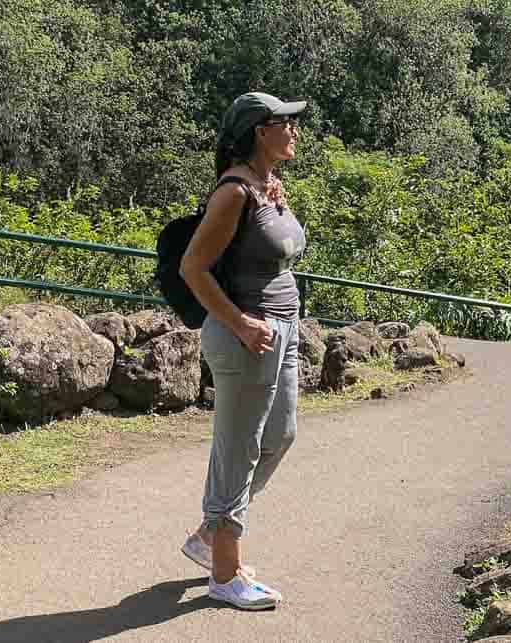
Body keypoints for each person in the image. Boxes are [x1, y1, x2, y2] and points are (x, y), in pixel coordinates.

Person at [178, 92, 307, 611]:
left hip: (282, 330)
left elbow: (277, 252)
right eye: (286, 123)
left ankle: (210, 535)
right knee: (240, 446)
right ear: (260, 130)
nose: (295, 131)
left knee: (281, 434)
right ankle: (225, 574)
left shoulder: (266, 186)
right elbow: (193, 268)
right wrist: (242, 323)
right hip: (246, 336)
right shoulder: (233, 192)